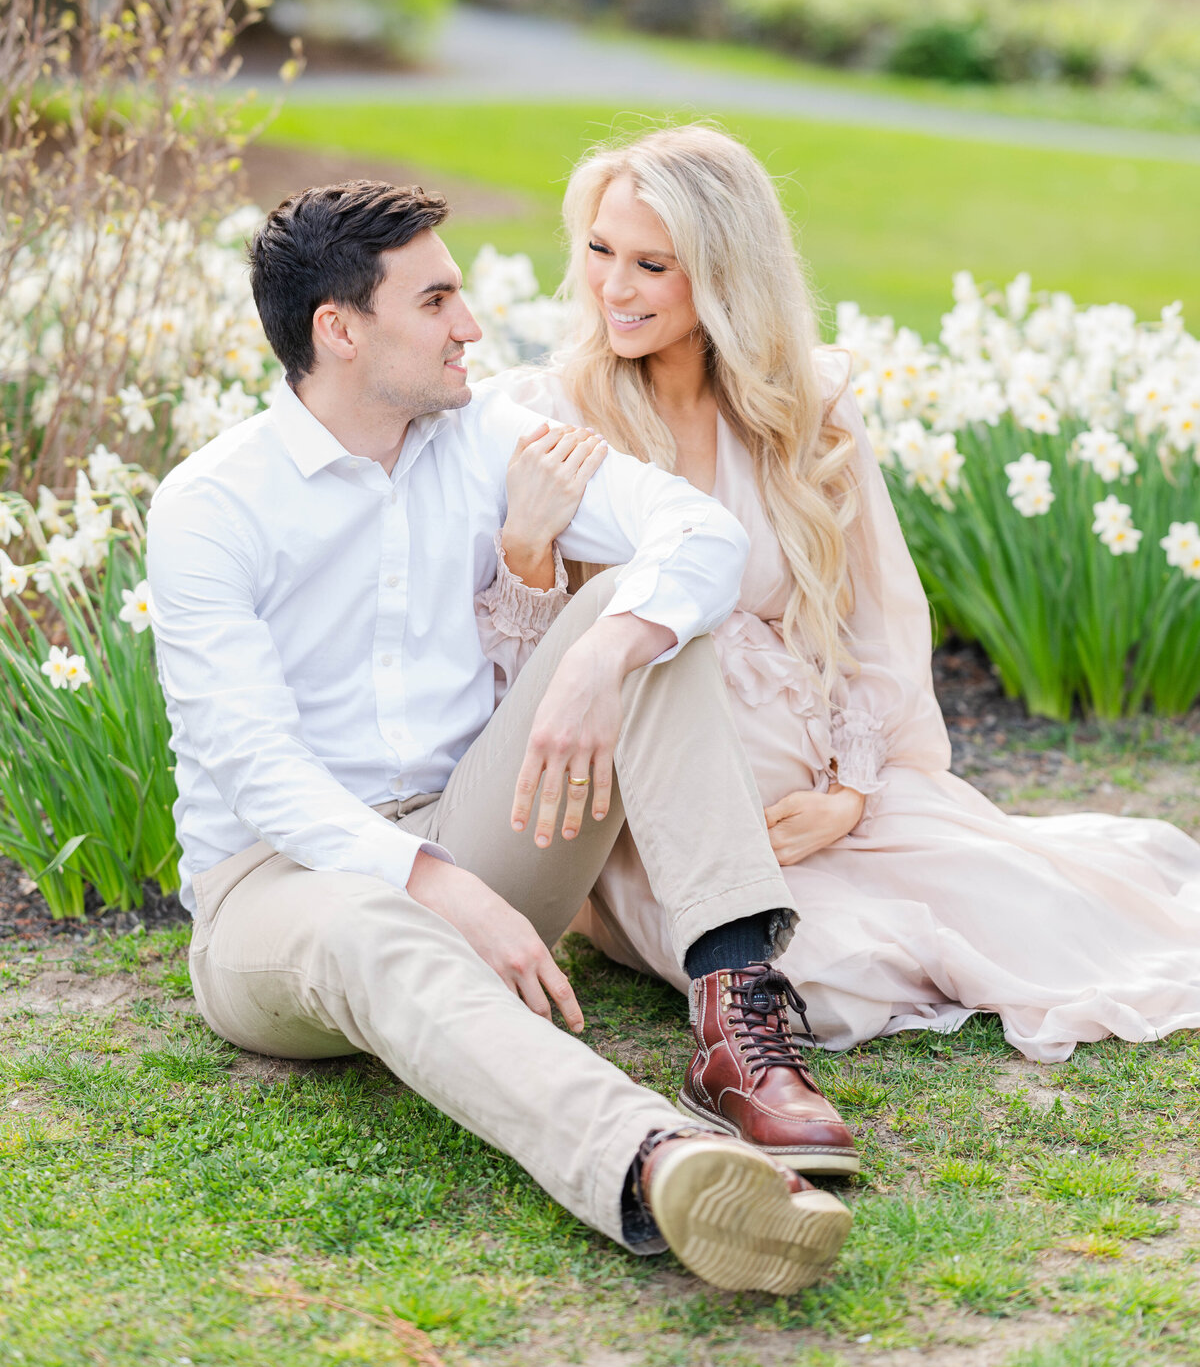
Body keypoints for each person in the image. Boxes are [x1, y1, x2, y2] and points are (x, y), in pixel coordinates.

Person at [145, 177, 856, 1297]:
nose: (471, 326)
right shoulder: (211, 507)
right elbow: (257, 771)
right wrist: (430, 881)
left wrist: (594, 653)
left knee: (644, 613)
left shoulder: (485, 437)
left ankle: (735, 1011)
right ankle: (653, 1159)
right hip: (280, 894)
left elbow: (700, 535)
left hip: (483, 833)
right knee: (368, 929)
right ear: (341, 329)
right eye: (435, 302)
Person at [483, 125, 1200, 1067]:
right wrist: (526, 542)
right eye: (599, 250)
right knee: (831, 975)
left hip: (814, 787)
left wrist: (852, 794)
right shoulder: (548, 414)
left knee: (1039, 909)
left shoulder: (806, 407)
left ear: (724, 271)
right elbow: (520, 681)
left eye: (652, 264)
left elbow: (875, 620)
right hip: (657, 820)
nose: (613, 287)